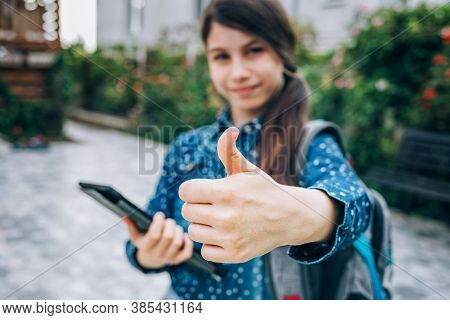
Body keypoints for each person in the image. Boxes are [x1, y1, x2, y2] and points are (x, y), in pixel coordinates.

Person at [124, 0, 372, 300]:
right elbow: (144, 236)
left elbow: (357, 204)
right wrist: (151, 252)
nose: (238, 72)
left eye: (254, 50)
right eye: (221, 56)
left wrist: (299, 215)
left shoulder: (310, 142)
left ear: (282, 52)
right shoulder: (187, 147)